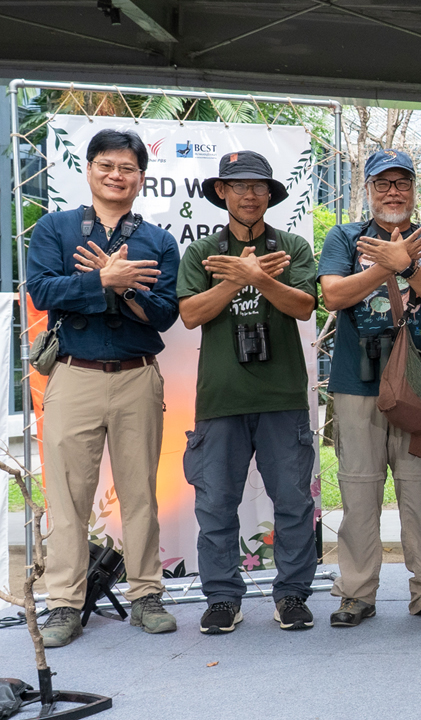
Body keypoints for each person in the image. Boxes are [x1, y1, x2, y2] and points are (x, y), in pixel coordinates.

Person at [27, 128, 179, 647]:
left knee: (141, 495)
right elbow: (42, 291)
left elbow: (165, 315)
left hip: (138, 375)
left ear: (142, 177)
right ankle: (64, 604)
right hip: (74, 374)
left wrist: (129, 287)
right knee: (67, 497)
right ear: (89, 169)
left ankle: (147, 595)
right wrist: (101, 282)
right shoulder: (56, 228)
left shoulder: (158, 241)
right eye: (107, 166)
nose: (117, 175)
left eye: (128, 168)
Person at [318, 149, 421, 627]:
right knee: (359, 492)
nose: (393, 192)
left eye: (402, 183)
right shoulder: (345, 237)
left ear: (415, 190)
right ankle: (357, 593)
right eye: (382, 183)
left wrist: (410, 267)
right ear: (368, 190)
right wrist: (389, 265)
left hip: (419, 382)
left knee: (419, 491)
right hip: (356, 383)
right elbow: (333, 295)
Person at [178, 151, 319, 634]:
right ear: (222, 191)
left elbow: (304, 306)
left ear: (270, 194)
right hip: (221, 398)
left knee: (294, 504)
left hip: (282, 397)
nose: (249, 195)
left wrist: (258, 277)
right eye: (238, 186)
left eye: (259, 186)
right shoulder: (202, 253)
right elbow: (190, 314)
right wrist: (236, 279)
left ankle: (293, 594)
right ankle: (222, 598)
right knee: (216, 505)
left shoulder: (292, 246)